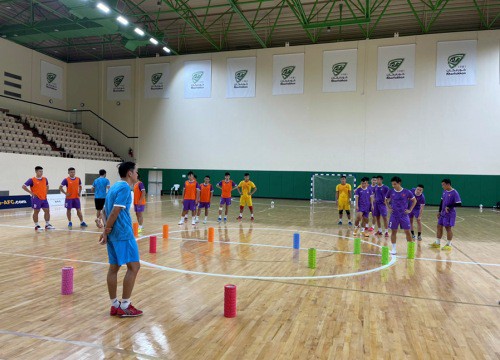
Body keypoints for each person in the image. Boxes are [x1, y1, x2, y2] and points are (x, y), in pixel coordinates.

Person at [98, 161, 142, 317]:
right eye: (137, 172)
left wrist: (106, 230)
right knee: (134, 267)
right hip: (123, 234)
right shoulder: (124, 187)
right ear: (130, 173)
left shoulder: (113, 187)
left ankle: (114, 305)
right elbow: (115, 212)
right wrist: (106, 230)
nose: (138, 175)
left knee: (113, 268)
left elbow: (103, 211)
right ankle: (125, 305)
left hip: (113, 236)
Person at [385, 176, 417, 255]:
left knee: (408, 232)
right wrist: (388, 207)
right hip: (394, 215)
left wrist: (410, 210)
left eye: (395, 184)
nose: (393, 186)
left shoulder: (407, 192)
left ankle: (410, 250)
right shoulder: (390, 191)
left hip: (404, 215)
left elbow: (414, 201)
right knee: (393, 232)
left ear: (399, 183)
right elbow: (386, 199)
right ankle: (394, 249)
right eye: (392, 184)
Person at [430, 179, 462, 251]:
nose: (442, 186)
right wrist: (439, 211)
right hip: (443, 213)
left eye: (443, 185)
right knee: (439, 226)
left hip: (449, 214)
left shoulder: (454, 192)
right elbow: (442, 202)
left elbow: (459, 203)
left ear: (448, 184)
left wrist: (449, 206)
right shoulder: (444, 191)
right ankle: (437, 243)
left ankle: (449, 244)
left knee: (448, 228)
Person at [22, 166, 55, 231]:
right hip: (36, 199)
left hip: (44, 198)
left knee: (47, 211)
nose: (41, 172)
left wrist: (45, 192)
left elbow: (47, 186)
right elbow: (23, 186)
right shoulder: (31, 180)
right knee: (36, 211)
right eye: (40, 171)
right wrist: (31, 193)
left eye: (42, 171)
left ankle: (47, 224)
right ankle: (37, 225)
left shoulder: (45, 179)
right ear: (36, 172)